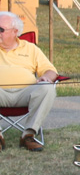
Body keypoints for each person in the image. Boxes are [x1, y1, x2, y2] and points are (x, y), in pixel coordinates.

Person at [0, 11, 58, 152]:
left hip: (25, 94)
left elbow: (51, 71)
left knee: (47, 87)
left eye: (1, 29)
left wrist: (47, 77)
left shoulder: (30, 48)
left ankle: (29, 134)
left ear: (15, 32)